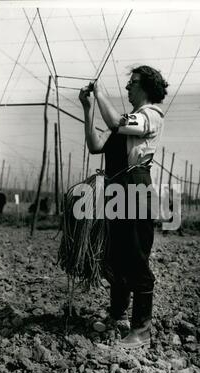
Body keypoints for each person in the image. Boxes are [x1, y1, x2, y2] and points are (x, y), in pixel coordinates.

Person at [79, 65, 168, 349]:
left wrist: (101, 93)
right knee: (116, 258)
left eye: (133, 82)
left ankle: (141, 330)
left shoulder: (151, 115)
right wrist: (88, 107)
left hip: (136, 186)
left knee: (136, 260)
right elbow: (95, 144)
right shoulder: (123, 121)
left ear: (146, 86)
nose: (128, 86)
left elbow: (117, 121)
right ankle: (116, 315)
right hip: (117, 190)